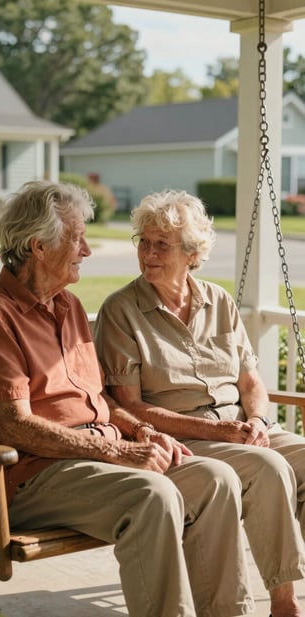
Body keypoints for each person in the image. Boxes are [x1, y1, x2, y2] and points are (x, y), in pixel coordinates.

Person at [0, 180, 255, 617]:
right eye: (77, 238)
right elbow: (16, 425)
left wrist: (144, 433)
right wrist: (117, 451)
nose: (87, 250)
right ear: (38, 246)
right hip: (36, 474)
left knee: (216, 480)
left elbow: (99, 400)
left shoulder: (69, 307)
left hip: (93, 460)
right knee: (153, 495)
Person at [94, 188, 305, 617]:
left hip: (245, 426)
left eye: (161, 245)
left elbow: (251, 379)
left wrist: (260, 420)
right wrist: (220, 431)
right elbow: (129, 406)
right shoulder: (121, 311)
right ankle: (283, 605)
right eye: (144, 243)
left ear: (192, 254)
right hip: (185, 435)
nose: (148, 253)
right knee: (268, 468)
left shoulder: (220, 301)